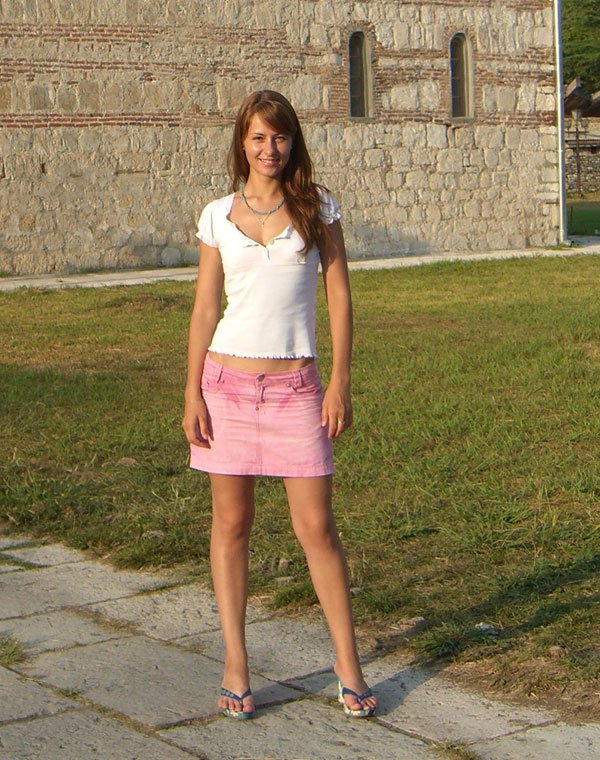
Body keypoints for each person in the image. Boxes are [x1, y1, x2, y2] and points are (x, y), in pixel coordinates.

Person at [182, 90, 376, 721]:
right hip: (227, 387)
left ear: (293, 142)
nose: (271, 149)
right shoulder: (217, 215)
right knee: (231, 524)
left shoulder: (318, 207)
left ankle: (348, 665)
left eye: (281, 137)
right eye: (259, 138)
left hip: (296, 390)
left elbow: (339, 295)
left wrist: (340, 380)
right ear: (242, 143)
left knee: (317, 528)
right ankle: (236, 664)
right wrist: (191, 391)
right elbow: (205, 308)